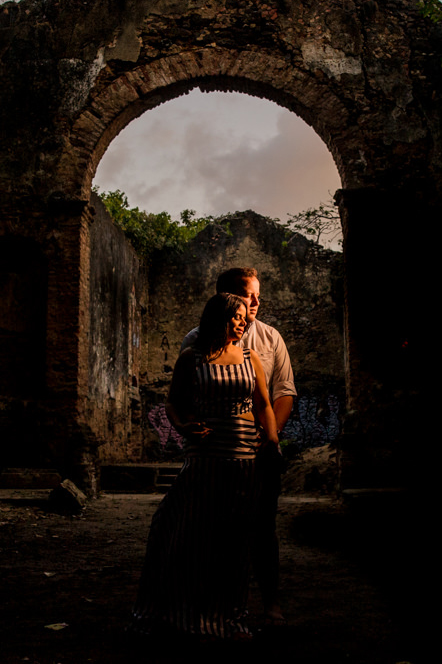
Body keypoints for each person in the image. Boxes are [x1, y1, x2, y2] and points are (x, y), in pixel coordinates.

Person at [132, 292, 280, 639]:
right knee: (192, 534)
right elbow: (173, 405)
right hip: (204, 456)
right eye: (237, 316)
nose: (243, 322)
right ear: (218, 317)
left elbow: (264, 406)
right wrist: (184, 427)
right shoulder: (191, 358)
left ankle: (227, 615)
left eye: (245, 317)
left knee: (235, 540)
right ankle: (184, 614)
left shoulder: (250, 357)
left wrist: (272, 444)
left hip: (245, 458)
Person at [181, 267, 295, 623]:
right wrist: (190, 427)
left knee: (262, 527)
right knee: (209, 527)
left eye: (258, 295)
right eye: (250, 295)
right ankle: (213, 606)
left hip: (256, 451)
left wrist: (267, 437)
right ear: (226, 298)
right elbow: (184, 394)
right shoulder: (195, 341)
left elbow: (281, 393)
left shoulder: (270, 339)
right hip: (214, 453)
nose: (257, 302)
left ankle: (269, 601)